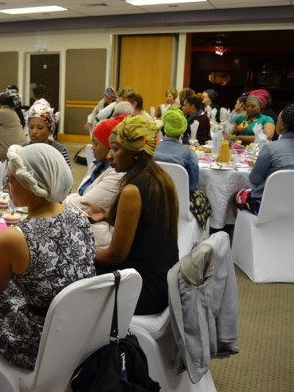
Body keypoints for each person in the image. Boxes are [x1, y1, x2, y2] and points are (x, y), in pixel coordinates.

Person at [0, 143, 96, 369]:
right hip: (86, 330)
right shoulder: (79, 217)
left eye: (11, 180)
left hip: (43, 343)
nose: (5, 186)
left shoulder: (12, 238)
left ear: (31, 185)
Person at [85, 116, 179, 315]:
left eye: (115, 149)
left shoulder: (132, 190)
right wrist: (109, 215)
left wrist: (80, 253)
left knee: (69, 273)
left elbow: (114, 256)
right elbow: (148, 225)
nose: (109, 156)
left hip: (142, 289)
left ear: (135, 153)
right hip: (163, 281)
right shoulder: (161, 178)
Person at [64, 116, 126, 247]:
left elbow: (84, 204)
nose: (92, 148)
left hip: (100, 239)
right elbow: (80, 197)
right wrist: (75, 199)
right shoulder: (96, 164)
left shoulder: (117, 173)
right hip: (82, 226)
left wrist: (68, 200)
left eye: (96, 144)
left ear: (109, 146)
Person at [233, 103, 294, 215]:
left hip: (266, 204)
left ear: (283, 125)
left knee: (236, 196)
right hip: (292, 206)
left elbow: (254, 180)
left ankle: (243, 225)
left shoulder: (271, 148)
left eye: (278, 120)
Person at [154, 109, 211, 230]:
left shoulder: (152, 150)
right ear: (183, 130)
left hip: (154, 198)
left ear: (165, 128)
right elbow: (193, 186)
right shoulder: (189, 154)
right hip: (181, 202)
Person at [21, 99, 70, 166]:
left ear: (50, 130)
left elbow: (66, 171)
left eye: (40, 128)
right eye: (31, 127)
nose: (34, 131)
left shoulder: (59, 150)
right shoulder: (22, 149)